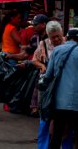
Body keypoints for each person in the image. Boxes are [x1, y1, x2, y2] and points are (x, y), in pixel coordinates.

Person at [32, 21, 69, 149]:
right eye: (53, 37)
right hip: (48, 88)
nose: (57, 39)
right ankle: (43, 146)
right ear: (48, 36)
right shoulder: (43, 45)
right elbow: (34, 60)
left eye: (58, 36)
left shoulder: (68, 44)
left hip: (64, 88)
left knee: (65, 122)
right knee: (45, 118)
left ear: (62, 33)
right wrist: (42, 66)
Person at [43, 28, 78, 149]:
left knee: (57, 134)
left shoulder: (57, 50)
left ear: (66, 38)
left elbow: (48, 76)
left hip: (60, 102)